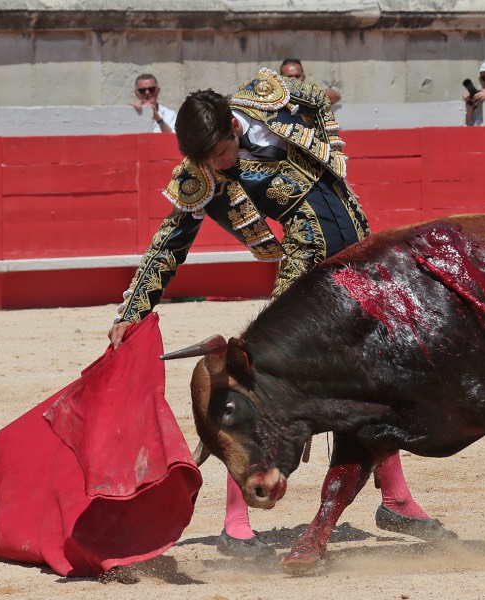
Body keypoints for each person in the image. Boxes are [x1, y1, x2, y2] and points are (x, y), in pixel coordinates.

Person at [107, 67, 456, 559]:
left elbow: (315, 98)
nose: (222, 169)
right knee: (268, 382)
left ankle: (395, 498)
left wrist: (323, 127)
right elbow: (169, 245)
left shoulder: (268, 103)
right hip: (307, 274)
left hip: (360, 252)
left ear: (232, 124)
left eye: (224, 155)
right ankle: (236, 521)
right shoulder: (202, 176)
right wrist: (134, 308)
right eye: (210, 163)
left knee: (373, 376)